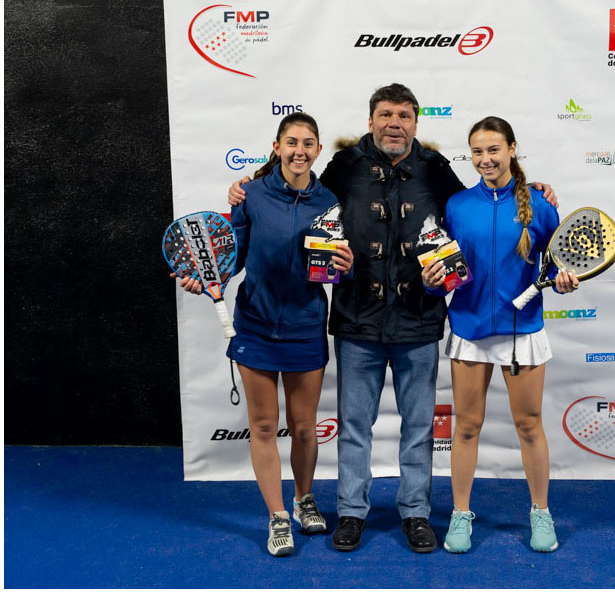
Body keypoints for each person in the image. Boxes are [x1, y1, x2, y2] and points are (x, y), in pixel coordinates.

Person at [228, 84, 558, 553]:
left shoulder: (435, 168)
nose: (394, 124)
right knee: (354, 425)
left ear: (416, 123)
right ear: (370, 121)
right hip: (356, 319)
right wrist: (250, 185)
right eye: (386, 115)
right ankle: (351, 513)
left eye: (404, 116)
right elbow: (301, 189)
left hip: (418, 320)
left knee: (419, 428)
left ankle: (415, 513)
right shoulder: (344, 166)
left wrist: (533, 189)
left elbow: (480, 203)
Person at [176, 112, 354, 557]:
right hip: (255, 326)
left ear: (318, 150)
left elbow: (335, 265)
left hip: (305, 327)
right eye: (291, 142)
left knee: (305, 428)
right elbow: (231, 257)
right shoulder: (250, 194)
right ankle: (277, 516)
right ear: (277, 147)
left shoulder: (330, 201)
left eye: (308, 143)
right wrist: (205, 277)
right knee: (263, 425)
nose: (300, 151)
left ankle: (304, 499)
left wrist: (345, 267)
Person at [421, 116, 578, 554]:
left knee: (529, 425)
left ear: (512, 149)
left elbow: (556, 267)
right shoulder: (456, 206)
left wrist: (564, 281)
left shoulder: (541, 205)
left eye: (493, 149)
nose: (485, 159)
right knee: (467, 427)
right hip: (469, 329)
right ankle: (460, 515)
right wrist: (433, 283)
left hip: (520, 331)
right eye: (477, 151)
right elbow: (445, 270)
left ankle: (541, 512)